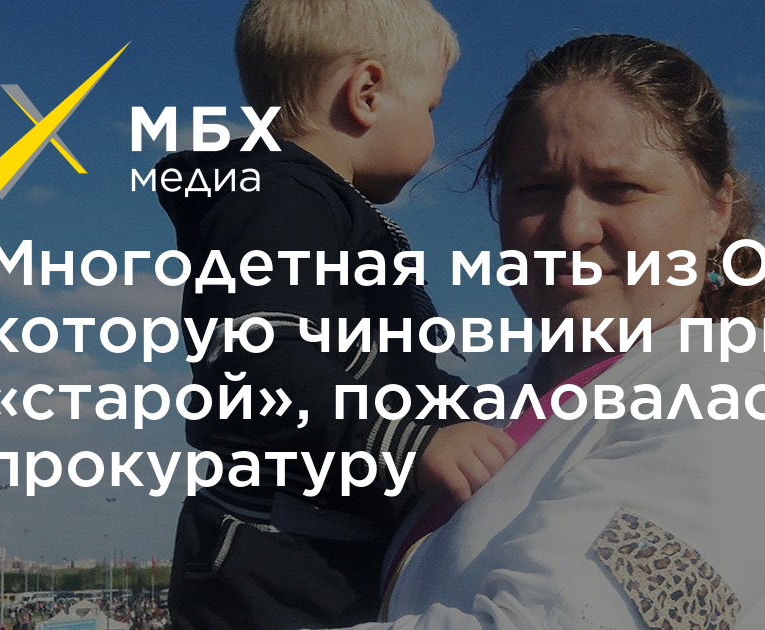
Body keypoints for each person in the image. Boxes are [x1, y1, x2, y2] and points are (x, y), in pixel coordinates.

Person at [339, 34, 765, 629]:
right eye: (537, 190)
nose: (572, 228)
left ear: (718, 210)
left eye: (620, 188)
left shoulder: (747, 401)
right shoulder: (494, 407)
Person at [158, 1, 515, 628]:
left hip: (305, 547)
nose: (434, 127)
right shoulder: (279, 196)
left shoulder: (311, 203)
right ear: (367, 94)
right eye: (431, 107)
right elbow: (259, 360)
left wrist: (479, 412)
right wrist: (413, 444)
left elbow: (383, 370)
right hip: (277, 558)